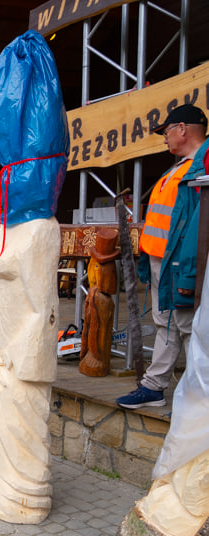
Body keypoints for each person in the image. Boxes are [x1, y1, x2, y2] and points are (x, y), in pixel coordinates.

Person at [117, 104, 208, 409]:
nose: (165, 138)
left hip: (179, 264)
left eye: (167, 131)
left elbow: (197, 227)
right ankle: (156, 386)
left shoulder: (201, 167)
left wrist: (188, 272)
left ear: (182, 129)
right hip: (163, 262)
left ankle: (195, 397)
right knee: (167, 323)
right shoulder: (182, 166)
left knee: (184, 326)